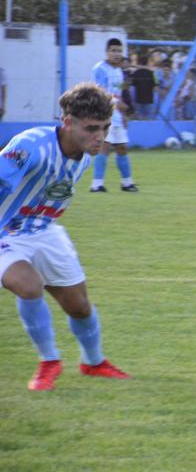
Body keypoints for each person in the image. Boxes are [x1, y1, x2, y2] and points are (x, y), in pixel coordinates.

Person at [1, 82, 132, 391]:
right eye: (91, 128)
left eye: (105, 128)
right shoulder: (30, 145)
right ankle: (49, 361)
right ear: (67, 122)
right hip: (4, 231)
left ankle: (94, 362)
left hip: (44, 231)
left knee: (79, 306)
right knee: (29, 285)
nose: (100, 137)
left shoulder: (86, 151)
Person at [89, 38, 138, 193]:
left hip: (116, 115)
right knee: (104, 147)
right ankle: (97, 184)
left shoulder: (119, 71)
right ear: (107, 52)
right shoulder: (99, 69)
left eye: (119, 51)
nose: (117, 54)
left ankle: (127, 183)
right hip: (103, 114)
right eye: (113, 50)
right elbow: (100, 92)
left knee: (122, 147)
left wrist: (124, 113)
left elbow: (119, 93)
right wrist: (118, 104)